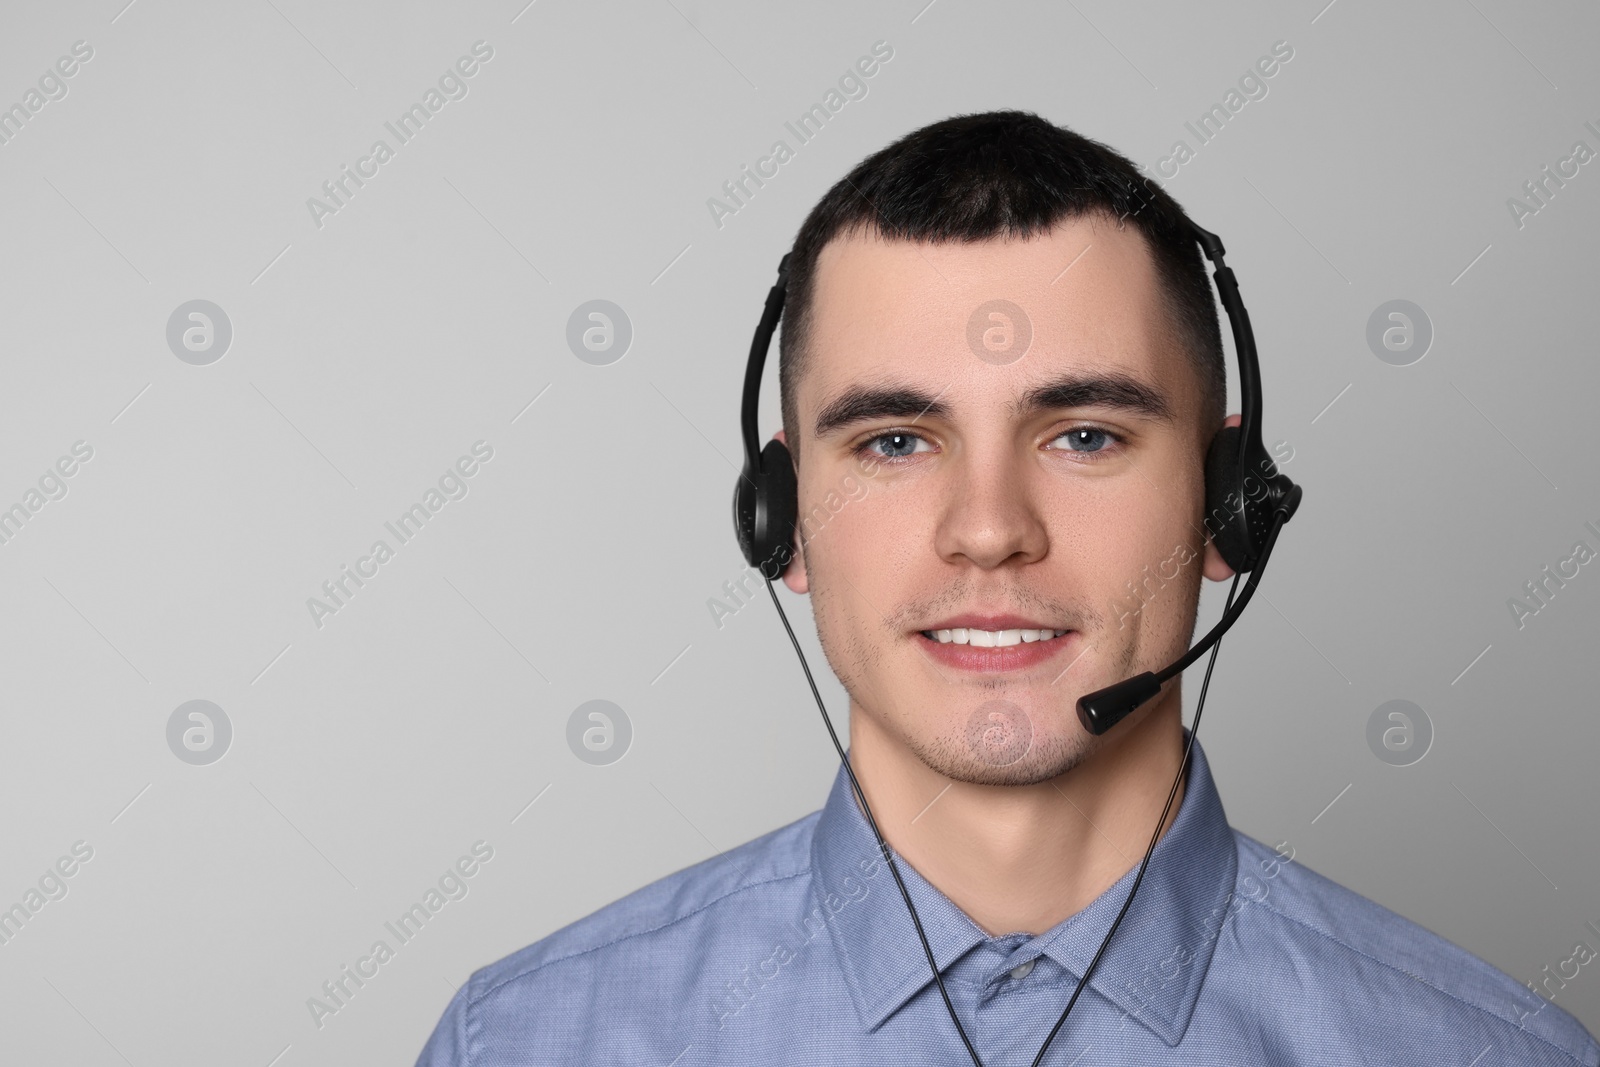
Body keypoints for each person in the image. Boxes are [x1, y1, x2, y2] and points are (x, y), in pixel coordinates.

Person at [415, 111, 1599, 1065]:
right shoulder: (518, 1042)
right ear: (780, 524)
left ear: (1228, 505)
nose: (988, 531)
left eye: (1083, 435)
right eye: (891, 440)